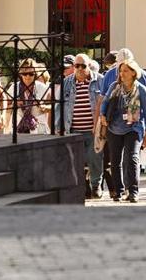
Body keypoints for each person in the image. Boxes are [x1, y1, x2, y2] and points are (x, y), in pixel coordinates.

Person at [100, 59, 146, 203]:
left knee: (132, 158)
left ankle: (133, 191)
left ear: (134, 72)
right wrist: (102, 116)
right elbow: (104, 102)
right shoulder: (114, 86)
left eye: (125, 71)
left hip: (134, 127)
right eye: (120, 71)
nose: (122, 74)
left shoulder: (141, 89)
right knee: (115, 161)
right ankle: (119, 191)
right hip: (114, 128)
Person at [61, 54, 104, 198]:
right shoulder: (66, 82)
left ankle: (96, 185)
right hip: (73, 129)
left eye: (83, 66)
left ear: (89, 66)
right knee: (75, 160)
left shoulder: (99, 80)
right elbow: (59, 108)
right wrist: (57, 128)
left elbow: (106, 103)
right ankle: (82, 186)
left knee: (95, 158)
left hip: (94, 129)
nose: (79, 69)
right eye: (76, 65)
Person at [4, 59, 51, 134]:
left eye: (31, 74)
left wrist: (43, 107)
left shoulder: (43, 88)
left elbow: (53, 106)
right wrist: (14, 104)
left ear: (35, 74)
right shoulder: (13, 87)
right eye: (24, 74)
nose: (28, 76)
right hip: (18, 128)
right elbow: (5, 107)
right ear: (20, 74)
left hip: (38, 129)